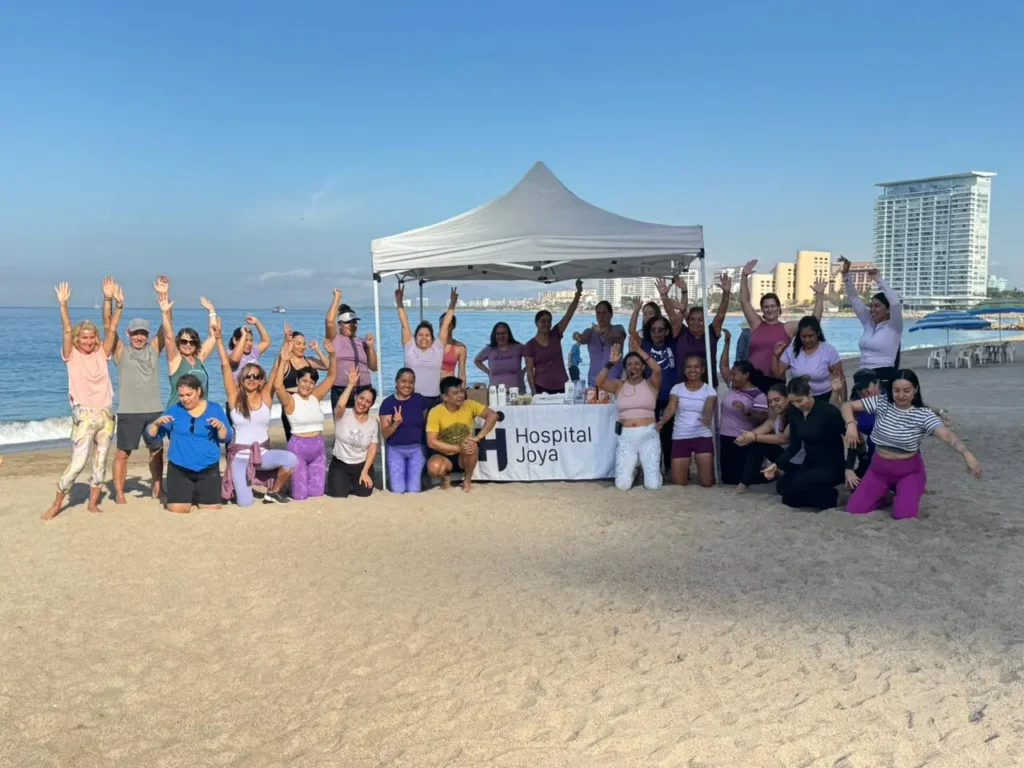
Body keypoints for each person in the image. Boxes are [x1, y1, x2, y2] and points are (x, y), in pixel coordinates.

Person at [842, 369, 981, 520]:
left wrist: (967, 455)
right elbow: (847, 406)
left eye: (906, 390)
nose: (901, 395)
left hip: (908, 472)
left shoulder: (923, 414)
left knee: (903, 515)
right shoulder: (881, 402)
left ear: (915, 389)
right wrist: (850, 424)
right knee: (853, 510)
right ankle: (885, 496)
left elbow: (947, 435)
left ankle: (905, 494)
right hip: (878, 470)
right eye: (896, 390)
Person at [42, 282, 116, 520]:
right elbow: (66, 329)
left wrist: (114, 302)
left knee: (100, 462)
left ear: (96, 339)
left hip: (105, 415)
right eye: (83, 337)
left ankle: (93, 504)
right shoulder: (71, 355)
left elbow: (112, 331)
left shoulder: (102, 353)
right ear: (78, 338)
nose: (87, 341)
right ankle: (56, 504)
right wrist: (63, 305)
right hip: (83, 415)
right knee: (77, 463)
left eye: (91, 337)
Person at [103, 276, 167, 504]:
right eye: (135, 333)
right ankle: (119, 493)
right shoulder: (121, 351)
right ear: (129, 334)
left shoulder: (154, 349)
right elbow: (108, 327)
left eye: (143, 333)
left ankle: (158, 486)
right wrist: (108, 299)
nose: (140, 336)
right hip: (129, 411)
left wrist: (163, 297)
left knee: (157, 451)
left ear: (147, 335)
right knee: (122, 454)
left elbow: (167, 329)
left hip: (154, 411)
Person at [214, 326, 295, 506]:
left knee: (291, 459)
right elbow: (226, 366)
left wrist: (285, 346)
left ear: (260, 380)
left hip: (262, 455)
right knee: (245, 503)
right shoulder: (234, 398)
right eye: (248, 376)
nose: (251, 379)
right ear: (241, 380)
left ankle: (273, 492)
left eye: (256, 376)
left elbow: (275, 371)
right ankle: (243, 481)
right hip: (240, 457)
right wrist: (219, 339)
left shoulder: (266, 397)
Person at [148, 374, 233, 514]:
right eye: (181, 395)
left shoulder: (215, 408)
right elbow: (151, 436)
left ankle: (196, 492)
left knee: (212, 510)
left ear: (198, 391)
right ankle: (187, 492)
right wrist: (156, 424)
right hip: (179, 468)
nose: (185, 399)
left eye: (189, 394)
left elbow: (226, 437)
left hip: (208, 468)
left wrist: (221, 427)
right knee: (178, 510)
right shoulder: (174, 410)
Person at [740, 259, 825, 393]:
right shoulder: (756, 324)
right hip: (752, 378)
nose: (770, 309)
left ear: (779, 307)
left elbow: (813, 322)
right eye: (766, 307)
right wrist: (744, 276)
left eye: (773, 306)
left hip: (776, 380)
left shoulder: (787, 328)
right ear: (762, 309)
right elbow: (744, 301)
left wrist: (819, 295)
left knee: (774, 413)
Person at [762, 377, 847, 510]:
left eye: (800, 400)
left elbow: (853, 439)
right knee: (786, 492)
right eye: (793, 402)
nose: (796, 405)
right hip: (810, 463)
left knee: (800, 483)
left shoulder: (828, 411)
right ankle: (820, 493)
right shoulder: (795, 413)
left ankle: (834, 496)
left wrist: (851, 468)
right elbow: (794, 445)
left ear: (809, 394)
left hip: (831, 465)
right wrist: (776, 464)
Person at [274, 336, 337, 501]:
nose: (307, 385)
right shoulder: (290, 400)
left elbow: (331, 376)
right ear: (297, 381)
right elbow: (278, 386)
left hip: (318, 449)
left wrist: (332, 355)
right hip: (298, 449)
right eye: (303, 381)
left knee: (317, 493)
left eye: (311, 382)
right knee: (300, 495)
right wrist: (283, 361)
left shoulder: (316, 396)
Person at [597, 341, 663, 491]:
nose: (633, 367)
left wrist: (639, 350)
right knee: (622, 486)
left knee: (652, 486)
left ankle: (651, 471)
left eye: (637, 363)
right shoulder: (619, 386)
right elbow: (599, 382)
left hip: (649, 435)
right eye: (629, 364)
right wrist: (610, 363)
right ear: (625, 368)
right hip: (626, 437)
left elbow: (657, 369)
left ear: (643, 366)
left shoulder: (651, 384)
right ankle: (634, 470)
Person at [839, 257, 904, 391]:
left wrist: (878, 279)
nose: (872, 309)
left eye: (877, 306)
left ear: (887, 310)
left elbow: (896, 303)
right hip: (862, 378)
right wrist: (846, 274)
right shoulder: (869, 324)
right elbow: (854, 299)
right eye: (871, 306)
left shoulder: (894, 327)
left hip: (883, 378)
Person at [426, 376, 499, 492]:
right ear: (445, 397)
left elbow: (493, 416)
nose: (460, 395)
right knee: (434, 468)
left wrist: (478, 437)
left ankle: (467, 480)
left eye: (461, 391)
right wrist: (458, 448)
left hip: (464, 455)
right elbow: (431, 442)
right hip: (444, 453)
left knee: (471, 445)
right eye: (455, 393)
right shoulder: (436, 412)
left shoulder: (469, 404)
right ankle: (446, 478)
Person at [717, 328, 770, 485]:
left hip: (742, 438)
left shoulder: (757, 394)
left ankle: (770, 475)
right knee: (727, 478)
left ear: (746, 375)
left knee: (740, 477)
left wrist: (747, 412)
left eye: (736, 373)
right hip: (725, 436)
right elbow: (723, 366)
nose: (732, 376)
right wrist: (727, 343)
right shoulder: (734, 386)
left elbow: (762, 419)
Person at [629, 300, 676, 470]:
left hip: (670, 397)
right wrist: (635, 310)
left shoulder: (673, 344)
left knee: (668, 435)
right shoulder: (645, 345)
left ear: (666, 331)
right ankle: (651, 467)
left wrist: (666, 297)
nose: (657, 333)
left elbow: (676, 321)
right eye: (653, 330)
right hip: (651, 398)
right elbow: (632, 332)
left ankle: (669, 468)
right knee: (650, 434)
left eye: (660, 330)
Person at [657, 355, 716, 487]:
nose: (692, 370)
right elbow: (671, 407)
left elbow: (709, 405)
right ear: (684, 370)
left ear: (702, 370)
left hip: (702, 435)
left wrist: (707, 415)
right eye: (689, 367)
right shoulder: (677, 388)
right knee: (679, 484)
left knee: (707, 483)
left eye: (696, 367)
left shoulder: (709, 389)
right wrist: (662, 421)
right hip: (681, 436)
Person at [665, 272, 731, 386]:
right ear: (688, 321)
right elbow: (671, 315)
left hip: (708, 385)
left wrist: (726, 293)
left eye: (700, 320)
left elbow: (720, 315)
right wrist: (664, 296)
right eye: (693, 319)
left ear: (706, 321)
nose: (696, 323)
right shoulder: (681, 333)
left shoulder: (711, 333)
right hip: (683, 386)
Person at [395, 283, 455, 405]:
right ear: (415, 337)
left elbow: (445, 325)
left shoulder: (437, 348)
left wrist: (453, 303)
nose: (423, 338)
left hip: (434, 400)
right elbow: (404, 322)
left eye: (427, 335)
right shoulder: (409, 347)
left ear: (432, 339)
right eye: (420, 335)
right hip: (412, 399)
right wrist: (399, 302)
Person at [735, 383, 803, 492]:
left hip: (800, 463)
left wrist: (754, 437)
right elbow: (757, 432)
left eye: (777, 400)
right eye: (770, 401)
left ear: (787, 399)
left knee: (784, 488)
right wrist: (744, 438)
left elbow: (784, 438)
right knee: (756, 445)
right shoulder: (776, 418)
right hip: (785, 460)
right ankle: (744, 483)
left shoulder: (796, 415)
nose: (773, 404)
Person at [327, 368, 379, 498]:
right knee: (338, 495)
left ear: (371, 405)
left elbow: (372, 449)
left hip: (360, 465)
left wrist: (365, 471)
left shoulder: (373, 422)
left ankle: (354, 480)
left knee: (365, 492)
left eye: (368, 401)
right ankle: (343, 481)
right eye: (361, 398)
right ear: (356, 397)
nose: (363, 403)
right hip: (340, 464)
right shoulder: (343, 413)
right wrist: (350, 384)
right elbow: (339, 405)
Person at [159, 291, 218, 408]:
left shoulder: (199, 359)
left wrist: (212, 312)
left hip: (200, 413)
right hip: (177, 413)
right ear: (179, 343)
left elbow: (213, 336)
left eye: (192, 342)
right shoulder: (175, 360)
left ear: (197, 344)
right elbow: (168, 337)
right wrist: (165, 313)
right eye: (184, 341)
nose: (188, 345)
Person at [525, 279, 583, 394]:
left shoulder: (556, 333)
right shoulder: (530, 346)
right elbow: (529, 371)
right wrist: (533, 391)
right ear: (536, 323)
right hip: (541, 387)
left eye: (549, 321)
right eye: (543, 321)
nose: (546, 324)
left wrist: (578, 293)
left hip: (562, 386)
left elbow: (569, 314)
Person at [324, 289, 378, 412]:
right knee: (341, 424)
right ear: (340, 324)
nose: (352, 325)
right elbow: (329, 321)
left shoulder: (362, 341)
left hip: (363, 388)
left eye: (354, 322)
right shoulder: (335, 338)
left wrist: (370, 346)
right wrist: (337, 297)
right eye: (347, 322)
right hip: (341, 388)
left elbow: (374, 367)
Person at [771, 316, 846, 403]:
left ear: (817, 333)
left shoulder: (829, 350)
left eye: (811, 336)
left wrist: (844, 403)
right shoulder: (791, 350)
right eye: (803, 336)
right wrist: (775, 356)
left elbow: (840, 378)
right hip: (798, 399)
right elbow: (777, 373)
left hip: (823, 397)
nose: (807, 340)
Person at [379, 368, 429, 494]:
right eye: (403, 381)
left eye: (411, 382)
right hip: (396, 449)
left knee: (413, 490)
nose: (407, 385)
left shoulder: (420, 400)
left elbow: (424, 423)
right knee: (398, 490)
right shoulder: (388, 403)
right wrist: (396, 423)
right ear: (396, 382)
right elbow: (385, 433)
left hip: (417, 449)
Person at [278, 325, 329, 442]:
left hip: (309, 405)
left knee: (312, 438)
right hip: (292, 408)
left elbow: (329, 367)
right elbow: (278, 383)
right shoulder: (286, 362)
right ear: (291, 344)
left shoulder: (309, 360)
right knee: (294, 441)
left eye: (304, 343)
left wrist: (318, 350)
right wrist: (285, 342)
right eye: (298, 343)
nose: (302, 347)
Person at [576, 300, 626, 387]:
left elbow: (616, 337)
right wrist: (576, 335)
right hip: (593, 383)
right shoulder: (591, 332)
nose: (601, 316)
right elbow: (582, 339)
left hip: (614, 383)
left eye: (604, 313)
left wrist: (602, 331)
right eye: (598, 313)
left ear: (611, 315)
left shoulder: (618, 329)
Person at [475, 322, 526, 391]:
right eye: (498, 334)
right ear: (494, 335)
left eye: (503, 333)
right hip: (495, 391)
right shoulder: (490, 349)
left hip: (517, 391)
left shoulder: (518, 347)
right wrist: (488, 372)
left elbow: (533, 358)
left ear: (508, 334)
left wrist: (524, 372)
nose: (501, 336)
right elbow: (477, 361)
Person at [227, 315, 272, 381]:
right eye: (245, 340)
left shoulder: (253, 351)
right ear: (235, 341)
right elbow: (235, 360)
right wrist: (243, 335)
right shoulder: (229, 353)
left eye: (251, 340)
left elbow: (266, 341)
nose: (249, 344)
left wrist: (257, 323)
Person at [440, 311, 467, 381]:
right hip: (433, 384)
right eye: (441, 325)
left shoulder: (460, 348)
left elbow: (462, 373)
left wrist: (463, 390)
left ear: (453, 326)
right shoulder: (432, 345)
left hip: (449, 384)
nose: (444, 328)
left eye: (447, 325)